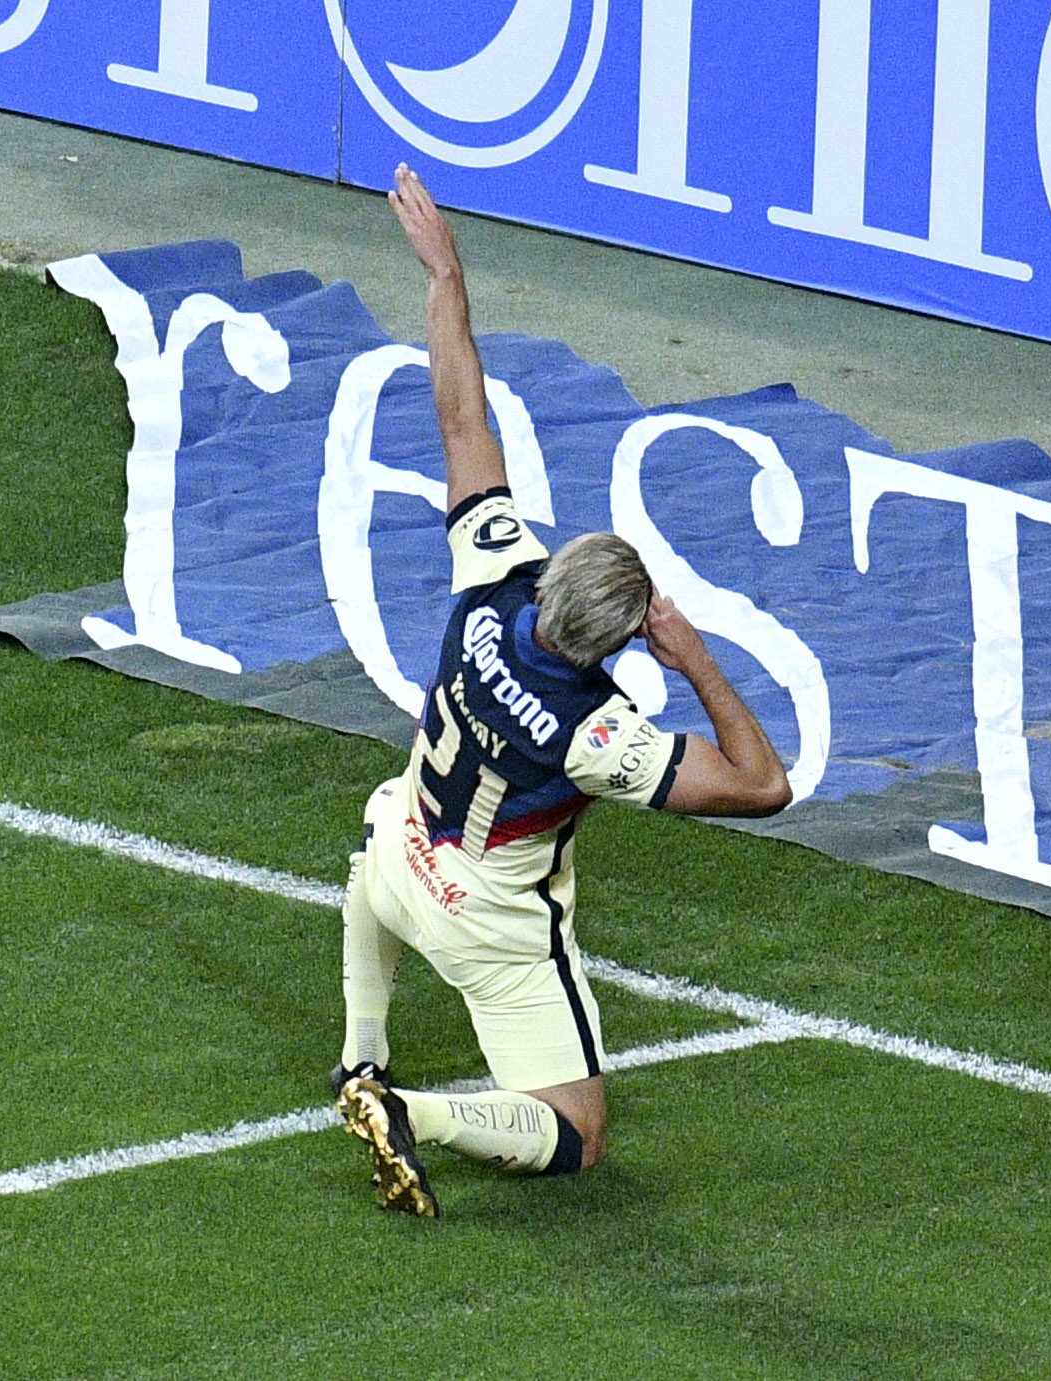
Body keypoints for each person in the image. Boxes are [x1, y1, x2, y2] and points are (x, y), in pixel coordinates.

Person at [333, 165, 793, 1216]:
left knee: (376, 839)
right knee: (578, 1133)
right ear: (620, 641)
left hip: (402, 852)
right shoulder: (598, 731)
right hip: (484, 925)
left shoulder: (491, 581)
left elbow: (460, 420)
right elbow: (760, 785)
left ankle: (358, 1049)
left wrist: (444, 274)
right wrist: (692, 656)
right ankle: (411, 1108)